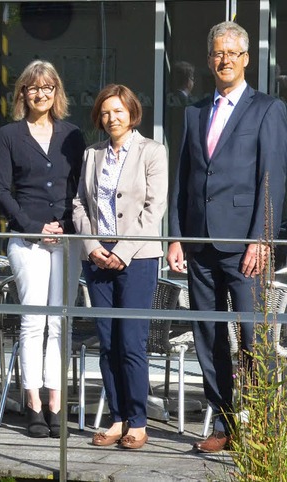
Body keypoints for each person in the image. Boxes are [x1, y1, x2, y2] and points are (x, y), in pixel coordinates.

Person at [167, 21, 287, 453]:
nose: (225, 60)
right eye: (218, 53)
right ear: (209, 58)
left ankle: (261, 425)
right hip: (199, 245)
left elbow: (273, 178)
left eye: (233, 54)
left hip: (246, 247)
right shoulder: (195, 111)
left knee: (254, 338)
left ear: (246, 59)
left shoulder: (267, 109)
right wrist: (176, 236)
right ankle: (224, 423)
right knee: (209, 336)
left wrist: (261, 239)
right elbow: (183, 178)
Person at [73, 84, 168, 450]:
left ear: (132, 112)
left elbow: (153, 209)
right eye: (106, 112)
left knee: (131, 341)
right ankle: (116, 418)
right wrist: (93, 245)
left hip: (137, 258)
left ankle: (138, 420)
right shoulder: (91, 154)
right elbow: (79, 204)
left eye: (119, 111)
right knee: (108, 342)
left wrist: (122, 251)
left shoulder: (152, 152)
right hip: (97, 257)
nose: (112, 118)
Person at [0, 60, 85, 438]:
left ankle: (55, 404)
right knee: (33, 322)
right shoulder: (9, 134)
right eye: (33, 88)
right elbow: (1, 190)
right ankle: (32, 403)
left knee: (59, 321)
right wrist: (33, 227)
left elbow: (81, 189)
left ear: (56, 92)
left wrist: (63, 226)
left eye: (47, 87)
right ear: (22, 94)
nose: (40, 93)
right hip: (27, 240)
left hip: (66, 239)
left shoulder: (73, 135)